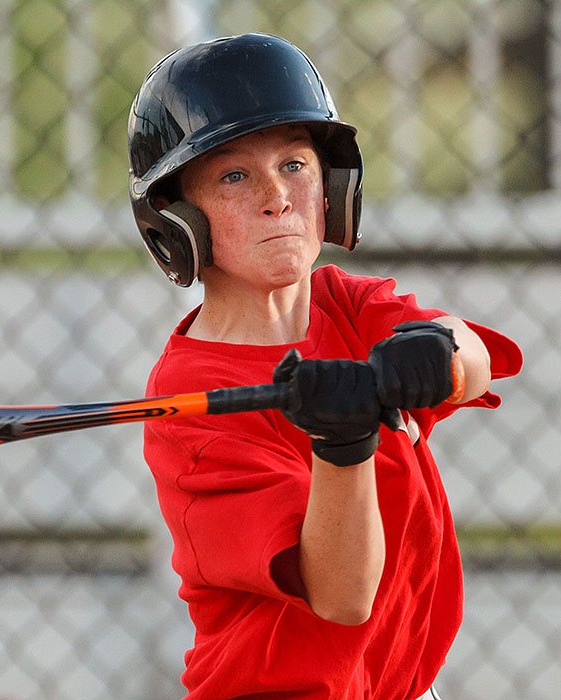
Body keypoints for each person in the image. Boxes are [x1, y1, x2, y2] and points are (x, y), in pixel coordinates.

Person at [128, 33, 523, 700]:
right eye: (233, 175)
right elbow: (343, 596)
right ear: (178, 221)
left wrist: (435, 351)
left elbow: (473, 358)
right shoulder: (189, 397)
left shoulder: (353, 306)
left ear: (333, 187)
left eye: (295, 165)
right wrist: (343, 447)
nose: (276, 197)